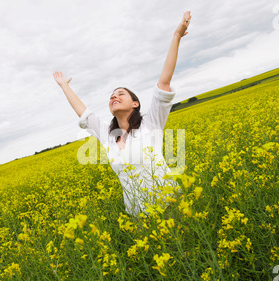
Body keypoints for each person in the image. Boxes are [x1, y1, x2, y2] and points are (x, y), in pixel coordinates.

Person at [53, 11, 192, 217]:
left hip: (170, 208)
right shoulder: (107, 135)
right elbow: (83, 112)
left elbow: (164, 82)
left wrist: (176, 37)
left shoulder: (151, 123)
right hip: (138, 216)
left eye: (121, 94)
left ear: (135, 103)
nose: (114, 97)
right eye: (111, 96)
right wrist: (64, 86)